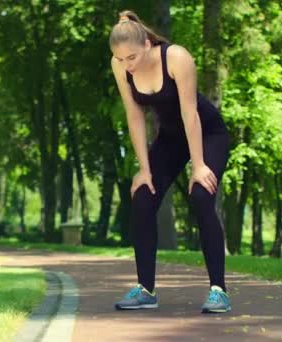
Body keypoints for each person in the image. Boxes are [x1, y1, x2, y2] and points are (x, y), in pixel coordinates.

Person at [110, 10, 231, 313]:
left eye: (132, 58)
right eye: (121, 59)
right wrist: (144, 170)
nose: (127, 65)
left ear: (148, 45)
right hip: (171, 140)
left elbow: (191, 114)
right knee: (142, 196)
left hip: (208, 133)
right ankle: (145, 289)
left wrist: (199, 165)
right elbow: (134, 117)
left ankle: (219, 291)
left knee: (202, 196)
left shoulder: (176, 57)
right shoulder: (120, 65)